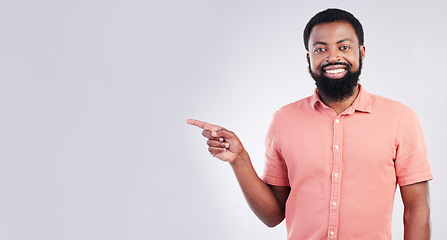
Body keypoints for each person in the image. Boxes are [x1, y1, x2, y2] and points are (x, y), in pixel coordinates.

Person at [187, 8, 432, 240]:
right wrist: (240, 159)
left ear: (362, 52)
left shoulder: (400, 118)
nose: (333, 57)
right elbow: (272, 216)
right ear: (309, 57)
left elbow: (417, 209)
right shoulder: (283, 120)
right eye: (320, 49)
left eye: (344, 47)